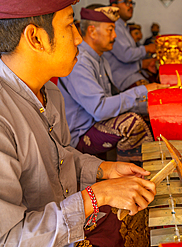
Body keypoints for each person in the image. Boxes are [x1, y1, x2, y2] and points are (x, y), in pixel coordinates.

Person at [0, 1, 156, 246]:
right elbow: (4, 241)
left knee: (149, 219)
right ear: (36, 38)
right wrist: (96, 195)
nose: (78, 38)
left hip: (64, 227)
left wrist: (104, 170)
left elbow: (58, 158)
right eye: (70, 25)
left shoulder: (48, 91)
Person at [58, 6, 167, 164]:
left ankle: (158, 165)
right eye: (110, 30)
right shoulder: (80, 62)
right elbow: (101, 110)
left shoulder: (101, 59)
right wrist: (143, 90)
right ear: (92, 31)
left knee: (150, 112)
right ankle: (134, 178)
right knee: (131, 123)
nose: (115, 36)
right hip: (80, 134)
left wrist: (150, 106)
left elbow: (113, 99)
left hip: (97, 123)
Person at [103, 0, 157, 91]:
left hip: (131, 74)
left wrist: (144, 63)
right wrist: (147, 48)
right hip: (123, 80)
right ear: (114, 5)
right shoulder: (114, 26)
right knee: (153, 97)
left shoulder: (123, 26)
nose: (131, 6)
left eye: (132, 3)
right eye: (126, 2)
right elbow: (126, 55)